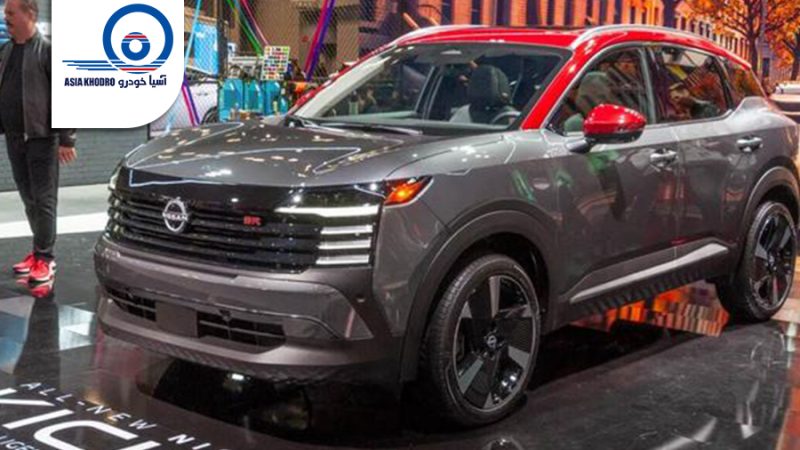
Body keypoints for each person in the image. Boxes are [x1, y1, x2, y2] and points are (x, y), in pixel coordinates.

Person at [1, 0, 77, 285]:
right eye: (5, 13)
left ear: (29, 14)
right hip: (15, 138)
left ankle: (46, 258)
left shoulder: (48, 51)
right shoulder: (7, 51)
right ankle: (37, 252)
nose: (5, 18)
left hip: (42, 139)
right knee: (29, 198)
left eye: (11, 13)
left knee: (44, 200)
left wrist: (67, 138)